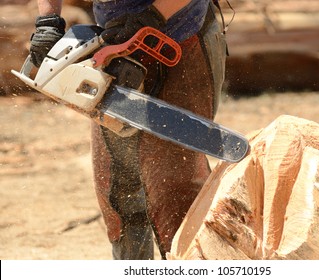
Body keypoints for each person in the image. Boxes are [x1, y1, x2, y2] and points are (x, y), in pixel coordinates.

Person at [30, 0, 227, 259]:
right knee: (118, 185)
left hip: (181, 35)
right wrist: (48, 21)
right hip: (115, 38)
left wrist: (151, 18)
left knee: (176, 188)